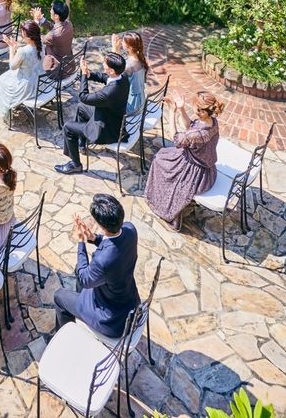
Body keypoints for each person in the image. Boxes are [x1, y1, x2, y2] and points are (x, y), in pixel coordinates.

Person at [53, 194, 140, 339]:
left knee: (59, 296)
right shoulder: (130, 229)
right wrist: (94, 238)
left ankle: (65, 339)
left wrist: (81, 242)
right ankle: (80, 308)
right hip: (129, 302)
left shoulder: (103, 261)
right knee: (79, 271)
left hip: (111, 320)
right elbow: (115, 243)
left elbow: (84, 279)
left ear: (101, 224)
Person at [144, 91, 224, 230]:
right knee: (162, 156)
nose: (193, 108)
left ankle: (160, 202)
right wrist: (181, 109)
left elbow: (176, 139)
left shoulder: (198, 134)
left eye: (195, 107)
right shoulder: (212, 122)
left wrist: (172, 112)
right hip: (206, 167)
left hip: (196, 173)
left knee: (159, 161)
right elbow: (190, 126)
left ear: (202, 112)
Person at [55, 51, 130, 175]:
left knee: (68, 127)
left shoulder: (107, 94)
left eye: (105, 63)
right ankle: (82, 143)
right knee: (81, 108)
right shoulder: (123, 77)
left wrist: (84, 75)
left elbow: (83, 97)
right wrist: (89, 74)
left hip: (106, 130)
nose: (103, 64)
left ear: (111, 70)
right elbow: (105, 78)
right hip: (112, 118)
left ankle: (75, 165)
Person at [0, 21, 43, 121]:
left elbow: (12, 66)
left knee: (0, 80)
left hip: (26, 86)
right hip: (39, 81)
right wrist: (16, 49)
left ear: (28, 37)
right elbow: (28, 59)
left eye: (22, 33)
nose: (21, 35)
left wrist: (11, 49)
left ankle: (6, 109)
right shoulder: (41, 45)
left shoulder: (23, 51)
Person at [113, 31, 148, 115]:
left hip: (132, 106)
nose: (121, 42)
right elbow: (120, 64)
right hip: (141, 102)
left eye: (123, 41)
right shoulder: (140, 59)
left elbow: (113, 71)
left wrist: (114, 48)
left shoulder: (129, 66)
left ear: (129, 47)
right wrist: (117, 50)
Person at [40, 1, 75, 77]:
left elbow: (39, 39)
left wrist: (36, 21)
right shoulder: (69, 24)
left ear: (56, 16)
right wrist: (41, 19)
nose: (50, 11)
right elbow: (55, 27)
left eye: (51, 10)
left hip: (57, 72)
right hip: (69, 67)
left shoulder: (53, 36)